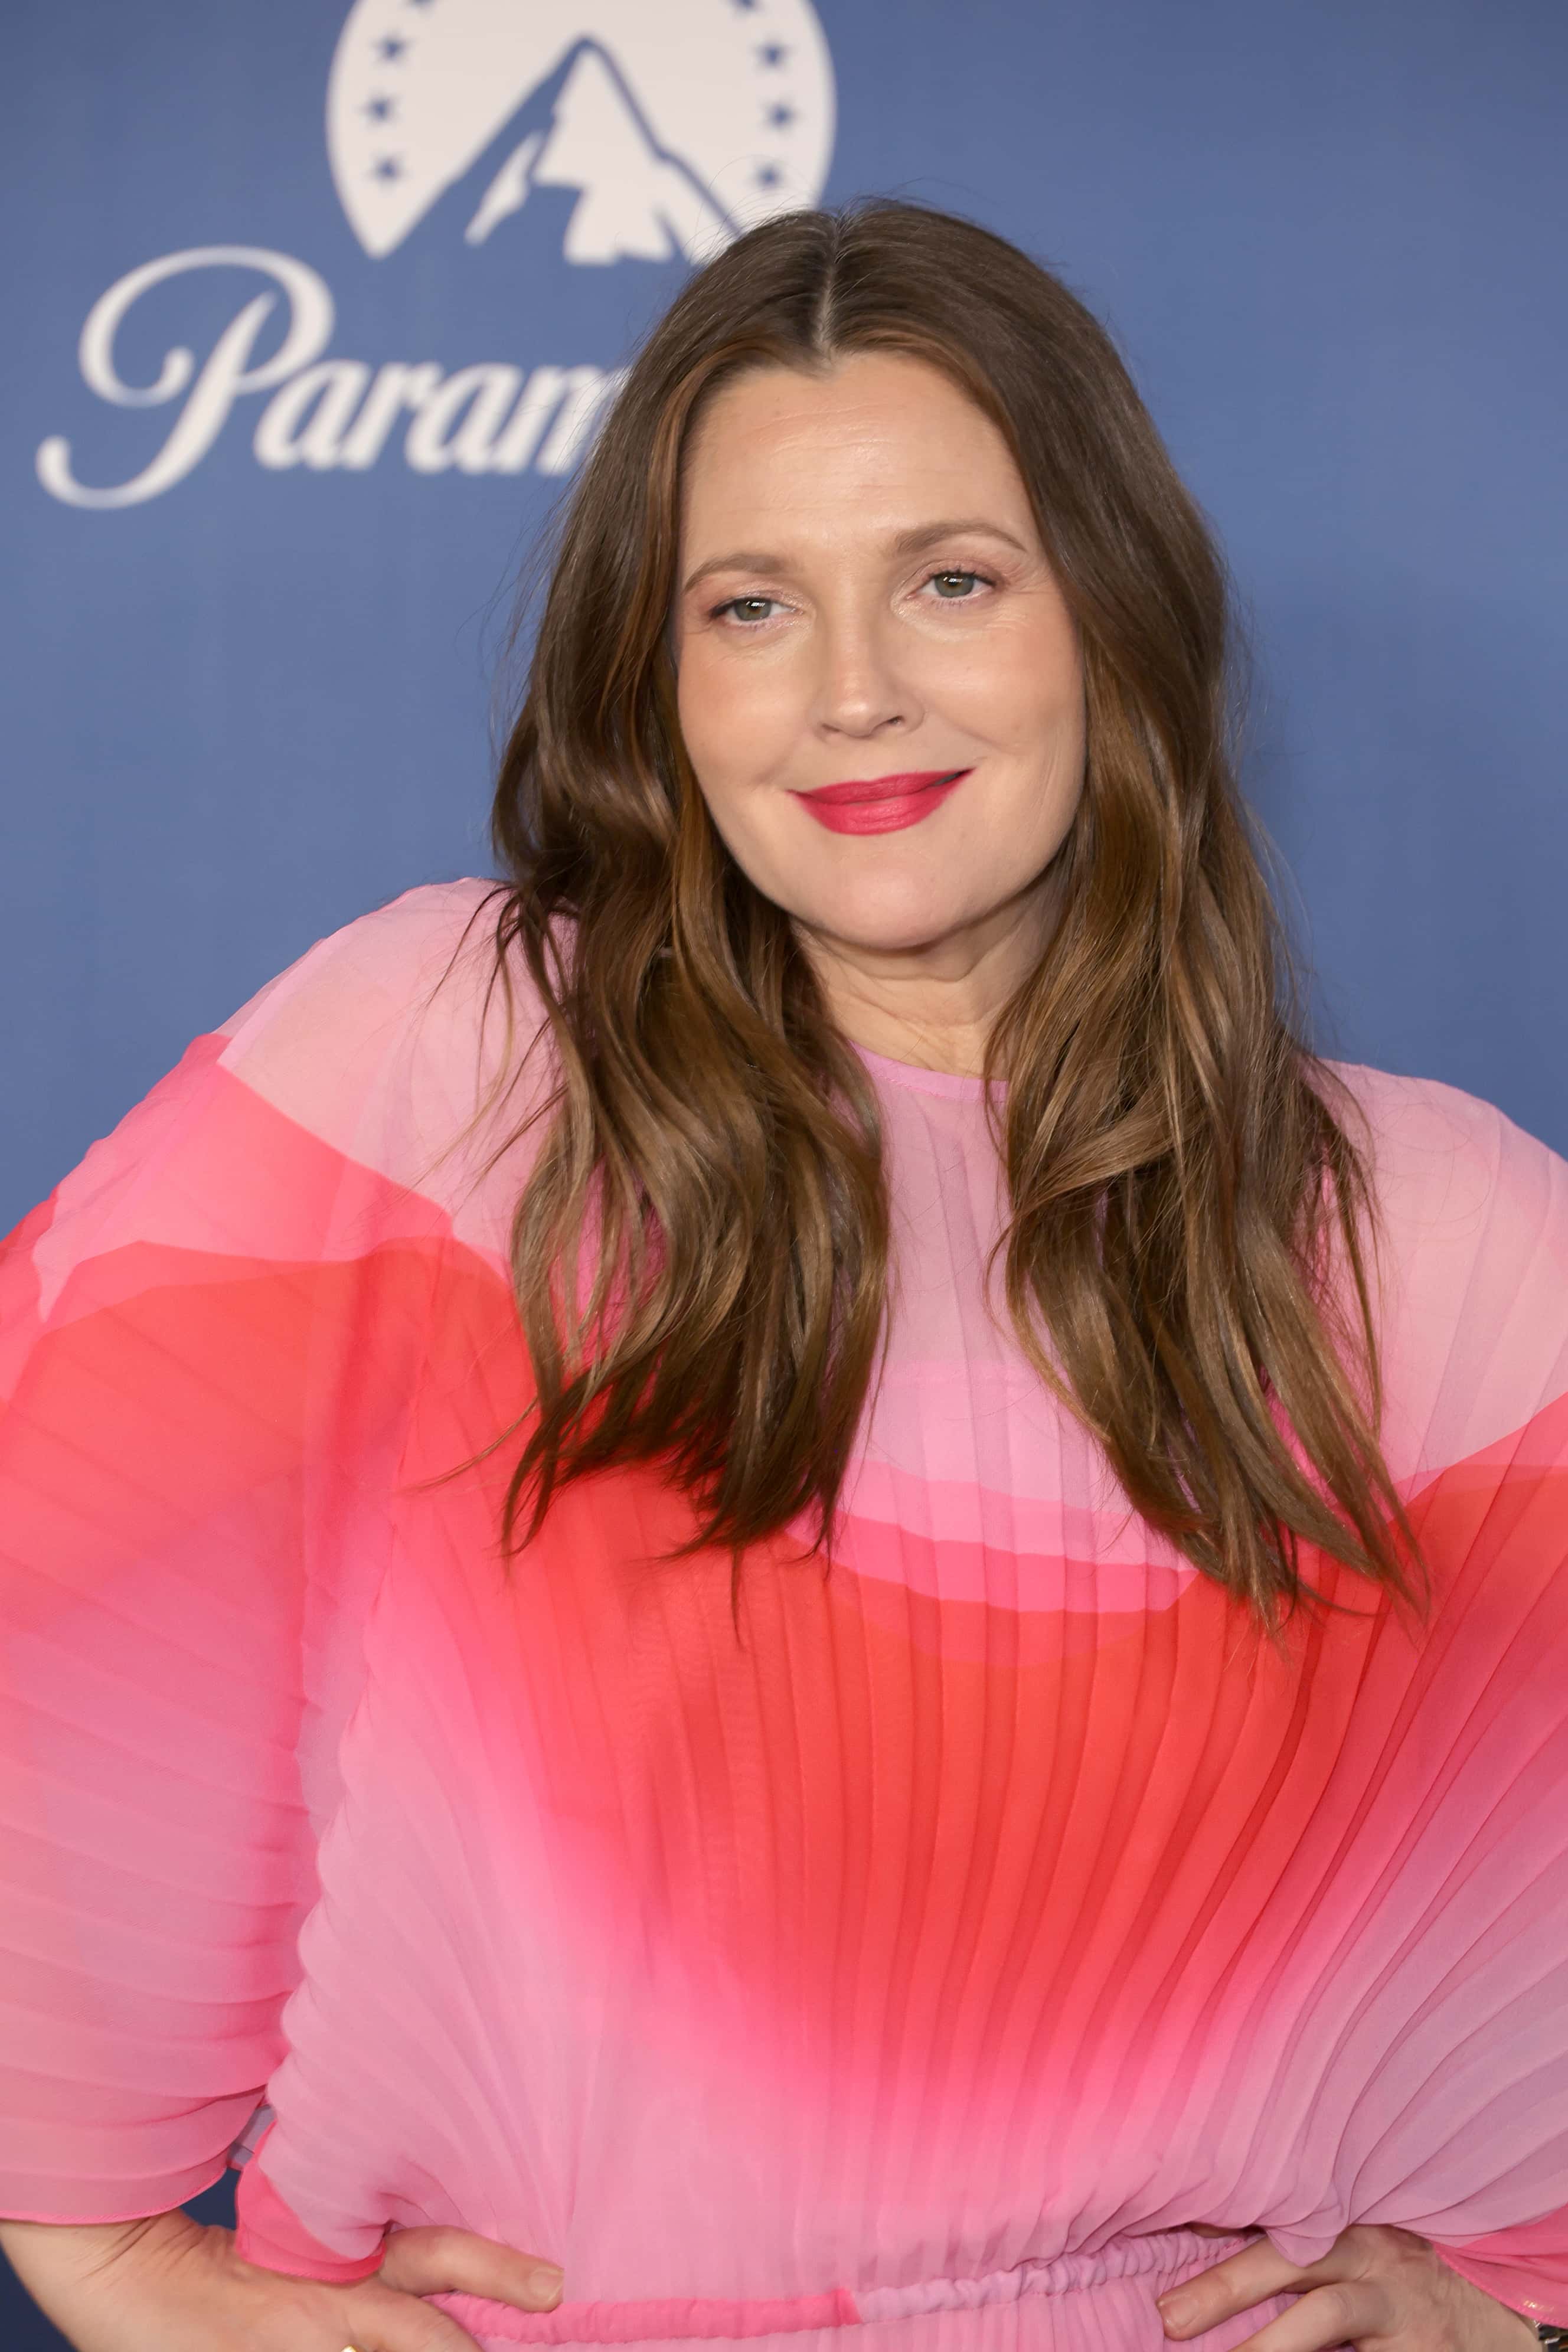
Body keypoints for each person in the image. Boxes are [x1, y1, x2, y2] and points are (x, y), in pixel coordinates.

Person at [1, 198, 1564, 2352]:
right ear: (662, 683)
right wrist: (101, 2250)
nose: (851, 693)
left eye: (950, 579)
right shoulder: (455, 1083)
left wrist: (1512, 2309)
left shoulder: (1446, 1247)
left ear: (1112, 621)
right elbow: (62, 1614)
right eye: (751, 605)